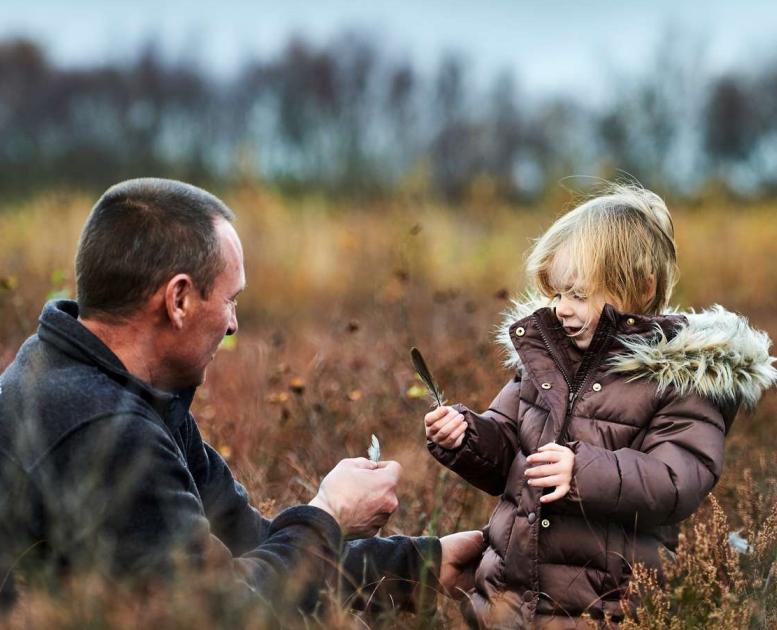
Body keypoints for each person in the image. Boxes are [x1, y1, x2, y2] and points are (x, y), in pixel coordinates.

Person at [0, 178, 484, 620]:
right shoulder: (101, 426)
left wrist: (419, 565)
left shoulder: (119, 383)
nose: (234, 324)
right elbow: (225, 611)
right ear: (179, 300)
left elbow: (246, 541)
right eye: (231, 300)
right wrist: (330, 514)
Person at [423, 184, 777, 628]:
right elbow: (506, 452)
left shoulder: (679, 380)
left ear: (640, 288)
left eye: (578, 293)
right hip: (504, 603)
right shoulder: (545, 362)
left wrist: (581, 472)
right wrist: (466, 436)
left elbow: (677, 480)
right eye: (555, 293)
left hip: (604, 609)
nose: (562, 310)